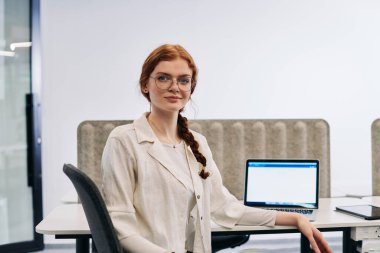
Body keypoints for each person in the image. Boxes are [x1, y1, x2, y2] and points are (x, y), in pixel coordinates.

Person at [101, 44, 332, 253]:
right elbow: (121, 228)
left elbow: (226, 208)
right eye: (163, 78)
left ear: (191, 88)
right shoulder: (124, 141)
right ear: (145, 84)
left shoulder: (196, 143)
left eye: (183, 80)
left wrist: (294, 218)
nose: (175, 87)